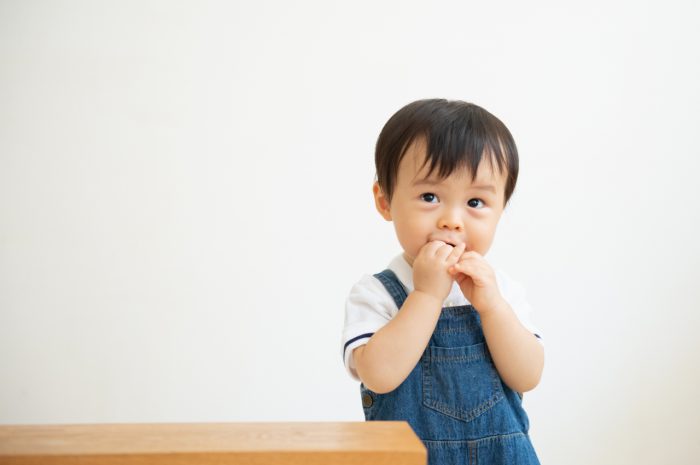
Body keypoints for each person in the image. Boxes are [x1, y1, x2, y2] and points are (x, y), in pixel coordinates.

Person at [340, 99, 544, 464]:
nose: (452, 220)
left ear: (501, 210)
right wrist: (425, 296)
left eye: (476, 202)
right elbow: (380, 376)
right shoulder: (378, 294)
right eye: (429, 197)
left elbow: (527, 375)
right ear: (385, 201)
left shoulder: (501, 292)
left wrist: (493, 307)